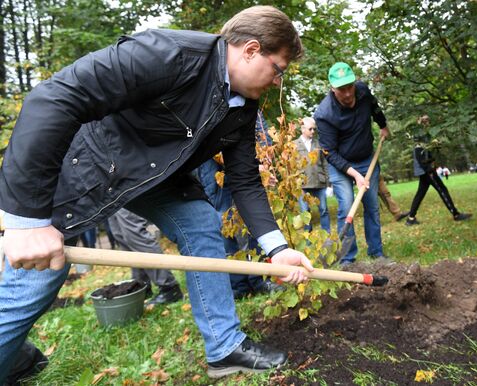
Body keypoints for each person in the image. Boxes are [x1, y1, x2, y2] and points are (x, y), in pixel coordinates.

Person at [0, 6, 314, 382]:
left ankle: (224, 346)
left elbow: (244, 179)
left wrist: (277, 248)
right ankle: (11, 354)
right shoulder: (167, 53)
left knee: (200, 222)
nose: (278, 82)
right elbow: (53, 98)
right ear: (249, 50)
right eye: (278, 69)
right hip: (95, 168)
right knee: (36, 278)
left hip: (156, 179)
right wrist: (26, 221)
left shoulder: (243, 107)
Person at [195, 111, 283, 299]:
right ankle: (237, 284)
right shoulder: (211, 98)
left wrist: (264, 165)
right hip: (213, 170)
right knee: (224, 221)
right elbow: (207, 141)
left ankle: (259, 279)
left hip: (245, 166)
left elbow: (262, 135)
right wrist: (249, 165)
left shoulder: (251, 106)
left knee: (255, 221)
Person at [314, 62, 389, 265]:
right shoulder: (324, 114)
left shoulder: (363, 91)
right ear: (332, 88)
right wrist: (355, 175)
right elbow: (329, 152)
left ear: (355, 82)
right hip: (340, 165)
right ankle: (348, 258)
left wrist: (383, 125)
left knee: (371, 205)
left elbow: (374, 107)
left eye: (349, 87)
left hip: (367, 159)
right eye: (341, 89)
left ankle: (377, 253)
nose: (347, 94)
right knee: (347, 205)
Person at [108, 208, 184, 306]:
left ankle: (169, 288)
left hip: (121, 194)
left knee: (134, 233)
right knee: (120, 234)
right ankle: (141, 286)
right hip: (106, 195)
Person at [405, 117, 472, 226]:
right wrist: (428, 169)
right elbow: (418, 152)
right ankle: (456, 214)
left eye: (428, 120)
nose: (428, 122)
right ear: (421, 122)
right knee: (442, 189)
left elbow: (428, 150)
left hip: (425, 168)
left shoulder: (425, 134)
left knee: (420, 193)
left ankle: (410, 219)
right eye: (426, 121)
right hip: (426, 169)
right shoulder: (419, 134)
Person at [293, 117, 330, 232]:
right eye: (310, 129)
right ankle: (308, 239)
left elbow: (324, 163)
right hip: (303, 185)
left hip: (319, 183)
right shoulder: (294, 145)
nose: (313, 131)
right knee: (305, 213)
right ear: (303, 129)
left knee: (324, 210)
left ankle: (327, 236)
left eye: (314, 129)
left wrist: (329, 184)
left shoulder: (318, 144)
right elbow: (291, 166)